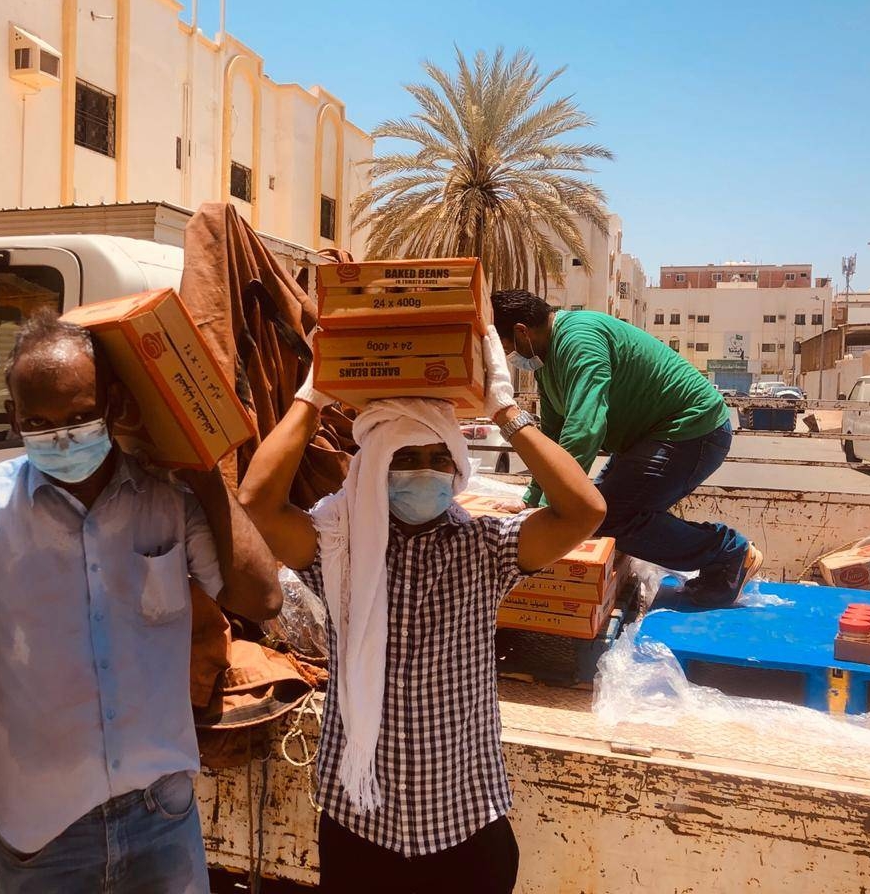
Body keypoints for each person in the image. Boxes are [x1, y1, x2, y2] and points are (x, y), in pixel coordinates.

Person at [0, 311, 282, 894]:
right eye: (41, 423)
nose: (64, 437)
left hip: (162, 820)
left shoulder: (167, 502)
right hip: (43, 836)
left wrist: (203, 473)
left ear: (114, 407)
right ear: (13, 418)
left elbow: (263, 597)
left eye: (78, 417)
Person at [238, 332, 606, 893]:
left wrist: (505, 410)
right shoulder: (337, 547)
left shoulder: (486, 547)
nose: (426, 473)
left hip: (465, 825)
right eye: (405, 458)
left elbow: (584, 510)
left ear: (458, 465)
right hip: (362, 825)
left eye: (439, 458)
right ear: (376, 465)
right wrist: (313, 396)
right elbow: (257, 500)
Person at [491, 289, 762, 607]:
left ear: (522, 332)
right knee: (598, 512)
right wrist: (529, 502)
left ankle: (729, 551)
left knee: (610, 516)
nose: (509, 359)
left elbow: (583, 430)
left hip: (692, 429)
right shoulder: (546, 363)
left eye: (505, 348)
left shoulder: (579, 340)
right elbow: (552, 438)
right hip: (650, 438)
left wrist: (551, 508)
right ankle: (719, 556)